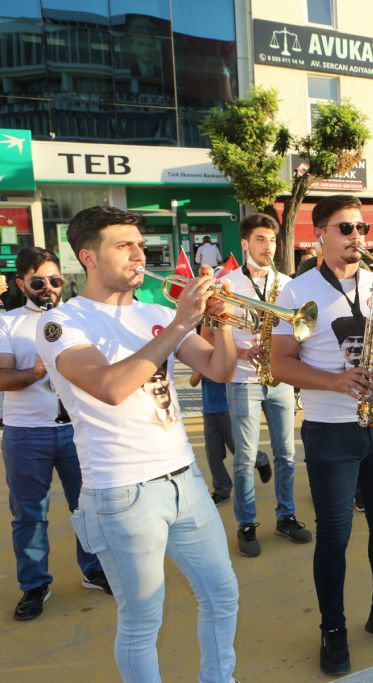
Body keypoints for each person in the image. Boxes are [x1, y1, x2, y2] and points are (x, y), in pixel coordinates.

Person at [37, 206, 239, 681]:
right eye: (122, 245)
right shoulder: (62, 323)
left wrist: (223, 320)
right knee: (142, 620)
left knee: (222, 594)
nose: (138, 253)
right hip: (122, 492)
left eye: (138, 243)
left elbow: (220, 369)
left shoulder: (155, 311)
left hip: (184, 479)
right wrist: (180, 324)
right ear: (88, 256)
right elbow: (110, 387)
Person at [271, 194, 373, 676]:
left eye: (360, 227)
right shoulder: (294, 293)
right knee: (335, 535)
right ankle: (333, 628)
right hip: (331, 429)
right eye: (345, 228)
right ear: (318, 233)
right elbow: (280, 365)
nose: (356, 236)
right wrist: (336, 381)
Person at [0, 247, 108, 622]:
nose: (48, 288)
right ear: (21, 284)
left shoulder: (78, 317)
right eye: (37, 281)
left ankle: (94, 569)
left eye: (55, 280)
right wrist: (35, 372)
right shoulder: (8, 323)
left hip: (77, 431)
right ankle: (34, 585)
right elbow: (2, 376)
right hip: (26, 433)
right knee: (29, 513)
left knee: (88, 507)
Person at [222, 213, 311, 557]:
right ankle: (246, 523)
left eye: (272, 240)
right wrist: (244, 350)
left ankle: (286, 516)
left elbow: (299, 330)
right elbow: (217, 332)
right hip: (243, 378)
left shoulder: (288, 284)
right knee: (244, 458)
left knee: (286, 453)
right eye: (260, 239)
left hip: (280, 378)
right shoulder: (228, 283)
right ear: (245, 244)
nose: (267, 246)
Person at [190, 266, 272, 506]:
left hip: (226, 396)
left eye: (209, 276)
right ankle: (222, 489)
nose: (206, 280)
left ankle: (261, 459)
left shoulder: (228, 312)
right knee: (213, 452)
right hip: (209, 404)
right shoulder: (206, 319)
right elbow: (196, 375)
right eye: (202, 276)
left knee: (237, 447)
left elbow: (222, 365)